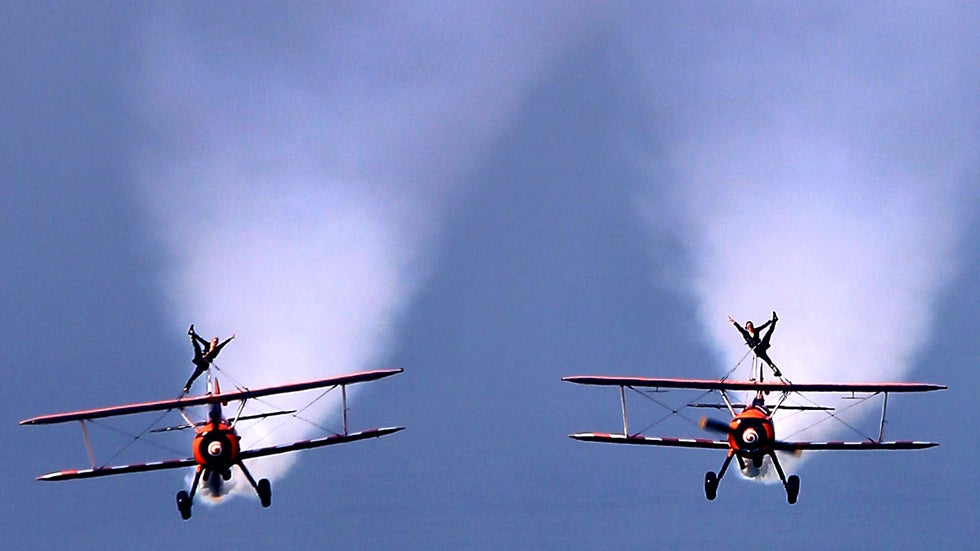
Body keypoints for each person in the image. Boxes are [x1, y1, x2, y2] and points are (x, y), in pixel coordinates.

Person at [183, 324, 235, 394]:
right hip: (200, 358)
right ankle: (191, 334)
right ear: (212, 341)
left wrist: (230, 339)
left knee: (194, 376)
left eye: (216, 342)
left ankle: (187, 387)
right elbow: (200, 339)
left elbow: (223, 344)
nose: (215, 342)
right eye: (214, 341)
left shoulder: (217, 349)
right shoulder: (207, 344)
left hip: (204, 364)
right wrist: (194, 334)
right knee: (197, 347)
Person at [729, 311, 781, 378]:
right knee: (767, 360)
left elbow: (764, 326)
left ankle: (775, 320)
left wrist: (771, 321)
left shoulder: (756, 330)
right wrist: (734, 322)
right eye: (748, 326)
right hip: (757, 350)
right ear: (747, 328)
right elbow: (739, 328)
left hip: (761, 345)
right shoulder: (746, 334)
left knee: (768, 333)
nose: (750, 327)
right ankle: (776, 370)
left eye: (751, 326)